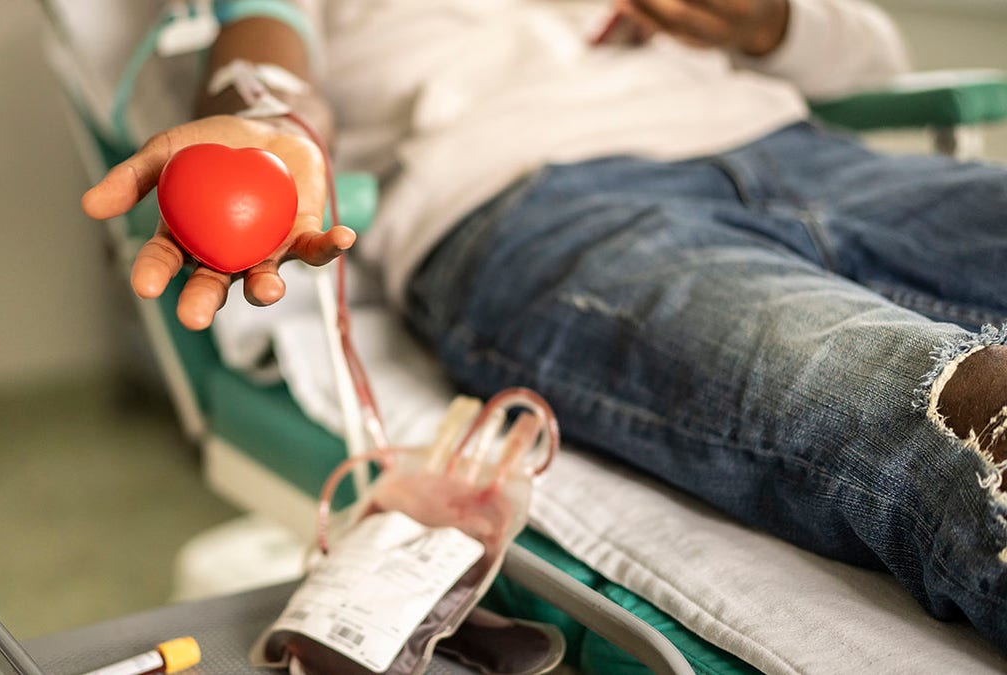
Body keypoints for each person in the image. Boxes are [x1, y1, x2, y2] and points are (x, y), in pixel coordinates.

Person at [81, 0, 1007, 652]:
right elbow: (259, 47)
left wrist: (765, 22)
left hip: (807, 152)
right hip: (533, 202)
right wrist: (265, 123)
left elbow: (871, 51)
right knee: (960, 416)